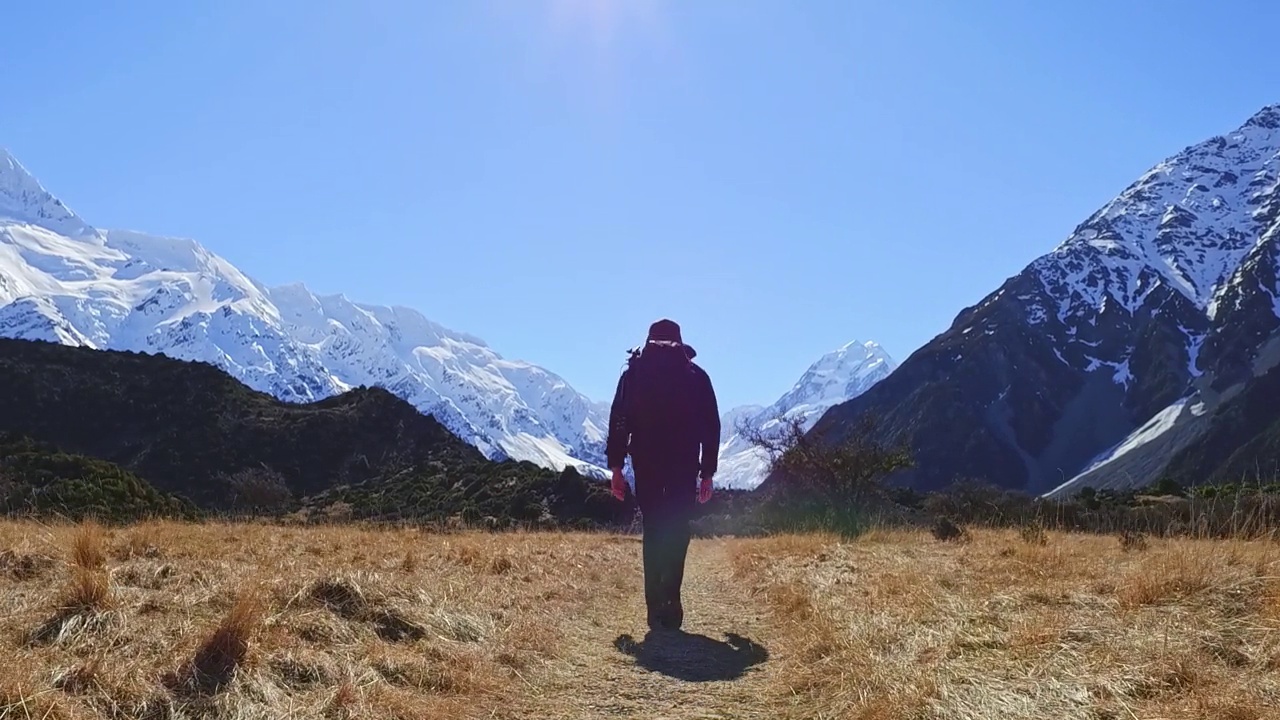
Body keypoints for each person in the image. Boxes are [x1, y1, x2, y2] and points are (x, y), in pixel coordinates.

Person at [606, 318, 720, 631]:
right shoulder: (696, 377)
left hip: (646, 463)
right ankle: (671, 596)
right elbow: (711, 426)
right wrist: (707, 472)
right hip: (684, 465)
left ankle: (654, 602)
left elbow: (619, 422)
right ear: (681, 345)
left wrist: (616, 468)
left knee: (654, 526)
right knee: (677, 527)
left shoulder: (633, 376)